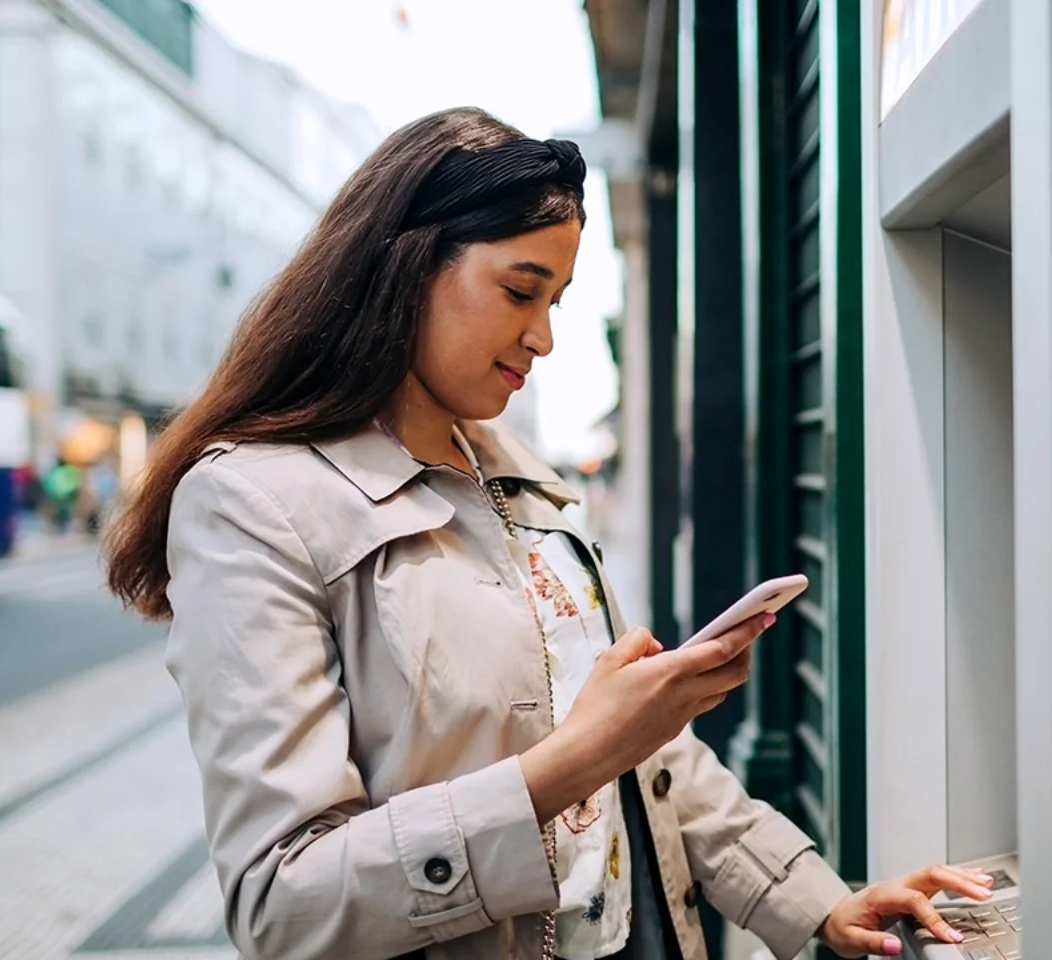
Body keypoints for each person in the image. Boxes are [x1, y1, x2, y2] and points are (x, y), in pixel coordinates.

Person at [104, 108, 991, 960]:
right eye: (521, 290)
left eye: (559, 299)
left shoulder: (521, 480)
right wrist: (568, 765)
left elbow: (653, 765)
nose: (544, 338)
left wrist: (821, 903)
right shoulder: (253, 502)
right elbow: (280, 902)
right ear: (404, 267)